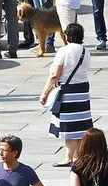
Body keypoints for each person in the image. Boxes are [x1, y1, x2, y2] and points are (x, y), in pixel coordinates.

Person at [40, 23, 93, 164]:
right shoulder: (85, 52)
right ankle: (77, 156)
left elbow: (54, 75)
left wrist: (45, 92)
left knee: (69, 127)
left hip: (68, 93)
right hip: (82, 92)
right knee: (81, 126)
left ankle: (69, 157)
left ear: (67, 36)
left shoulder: (64, 51)